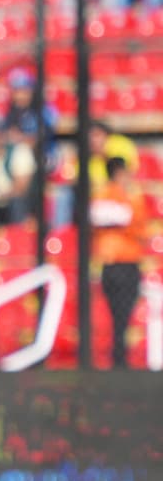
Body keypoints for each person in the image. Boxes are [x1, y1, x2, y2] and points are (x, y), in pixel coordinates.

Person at [91, 157, 147, 368]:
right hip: (115, 263)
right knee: (117, 313)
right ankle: (118, 358)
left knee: (123, 314)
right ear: (118, 173)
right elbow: (111, 217)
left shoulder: (127, 196)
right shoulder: (109, 194)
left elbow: (134, 223)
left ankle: (120, 357)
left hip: (128, 261)